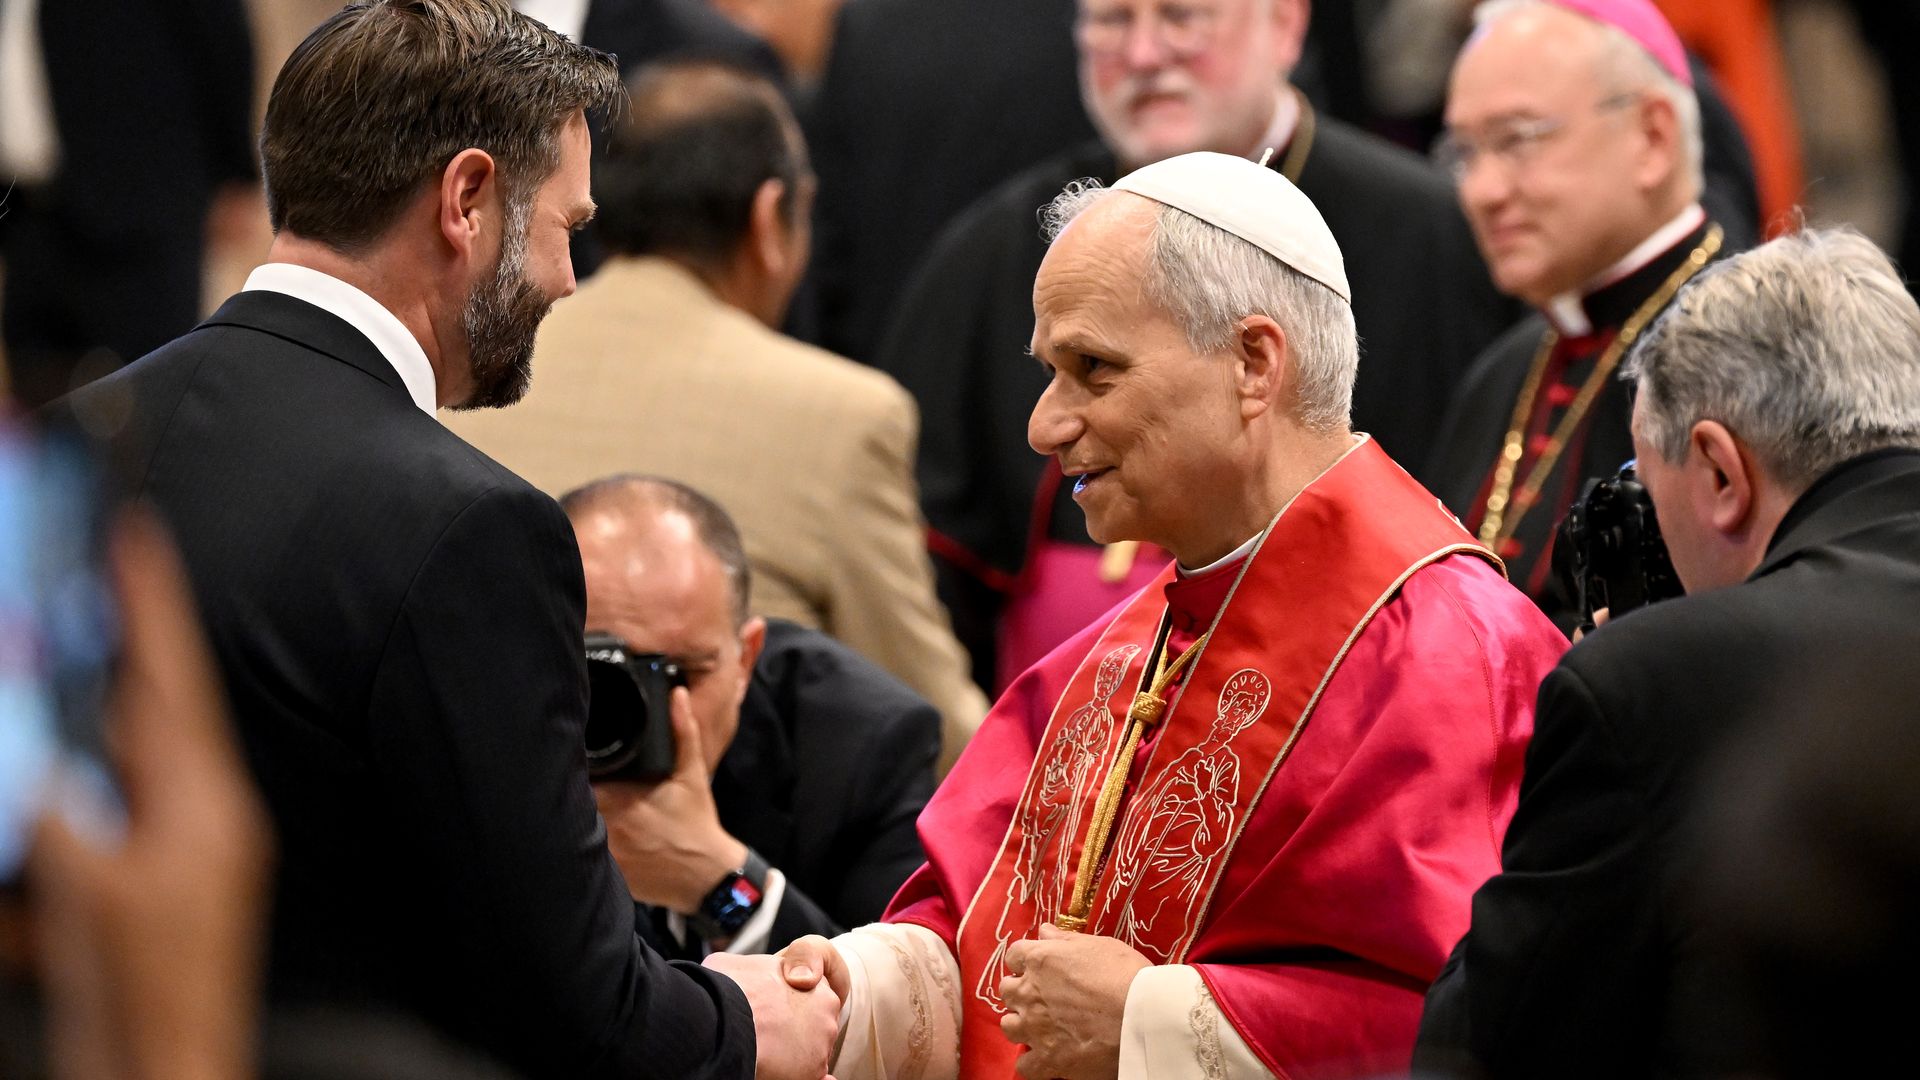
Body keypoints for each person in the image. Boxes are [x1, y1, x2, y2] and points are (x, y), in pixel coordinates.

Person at [49, 3, 837, 1077]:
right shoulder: (471, 527)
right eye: (568, 228)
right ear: (467, 199)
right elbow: (571, 1006)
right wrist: (751, 1026)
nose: (569, 278)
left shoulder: (69, 450)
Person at [770, 152, 1566, 1079]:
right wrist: (855, 987)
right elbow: (983, 921)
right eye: (1049, 371)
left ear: (1254, 363)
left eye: (1092, 369)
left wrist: (1153, 1024)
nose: (1043, 425)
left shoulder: (1457, 655)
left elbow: (1473, 1025)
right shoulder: (1118, 648)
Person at [880, 0, 1516, 689]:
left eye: (1183, 16)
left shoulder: (1430, 239)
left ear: (1286, 26)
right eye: (1113, 22)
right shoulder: (997, 245)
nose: (1146, 54)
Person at [1415, 226, 1920, 1077]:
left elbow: (1486, 1046)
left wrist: (1625, 666)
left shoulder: (1649, 681)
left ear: (1720, 475)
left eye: (1656, 492)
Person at [449, 60, 987, 771]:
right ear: (771, 217)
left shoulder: (465, 369)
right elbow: (935, 722)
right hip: (733, 835)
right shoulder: (841, 414)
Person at [1424, 0, 1740, 626]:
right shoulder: (1501, 372)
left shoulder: (1753, 345)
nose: (1482, 191)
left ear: (1651, 137)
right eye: (1464, 152)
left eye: (1518, 140)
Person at [560, 475, 938, 957]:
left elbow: (908, 1008)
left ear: (745, 658)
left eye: (682, 673)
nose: (648, 708)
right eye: (599, 672)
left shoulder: (860, 747)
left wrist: (717, 881)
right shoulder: (464, 714)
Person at [805, 0, 1096, 365]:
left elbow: (827, 228)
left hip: (887, 351)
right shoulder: (1094, 23)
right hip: (1054, 353)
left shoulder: (867, 21)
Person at [0, 0, 256, 407]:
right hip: (26, 216)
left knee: (150, 409)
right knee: (38, 420)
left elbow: (219, 34)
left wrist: (234, 173)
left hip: (138, 211)